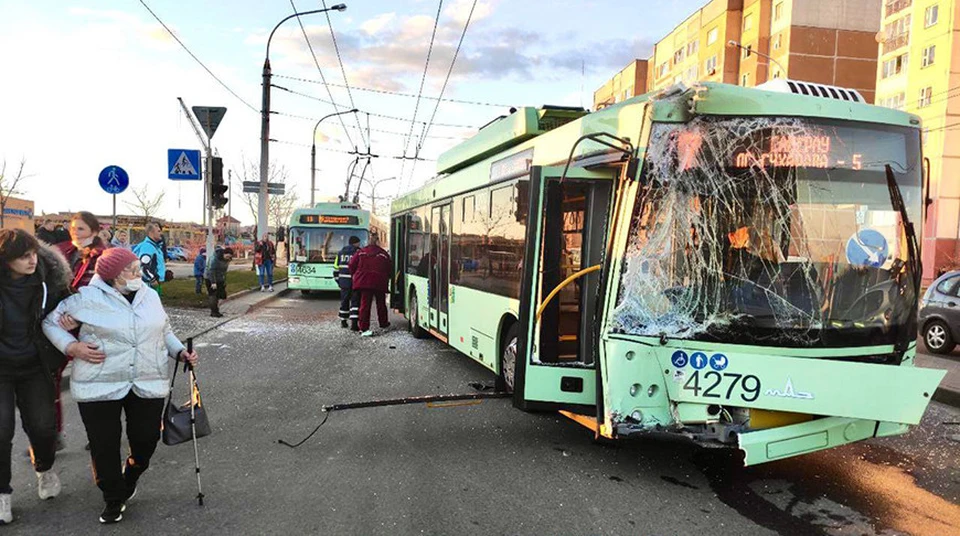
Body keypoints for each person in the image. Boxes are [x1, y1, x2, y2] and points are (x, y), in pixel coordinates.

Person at [42, 248, 199, 524]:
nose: (139, 273)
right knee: (104, 444)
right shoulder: (85, 298)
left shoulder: (150, 296)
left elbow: (165, 331)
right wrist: (72, 346)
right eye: (132, 269)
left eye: (138, 268)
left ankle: (132, 474)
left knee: (146, 439)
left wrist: (179, 352)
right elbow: (50, 323)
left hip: (146, 378)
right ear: (113, 275)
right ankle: (113, 498)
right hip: (98, 381)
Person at [0, 230, 72, 523]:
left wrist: (69, 321)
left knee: (43, 428)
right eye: (23, 256)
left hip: (35, 366)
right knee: (0, 432)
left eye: (33, 254)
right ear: (6, 260)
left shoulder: (49, 283)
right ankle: (2, 495)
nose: (32, 260)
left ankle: (44, 468)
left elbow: (70, 307)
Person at [54, 211, 108, 445]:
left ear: (94, 232)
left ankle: (99, 432)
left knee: (94, 380)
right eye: (73, 227)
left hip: (91, 326)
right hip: (60, 324)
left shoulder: (103, 257)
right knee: (50, 376)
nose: (75, 232)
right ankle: (53, 433)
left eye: (81, 228)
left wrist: (80, 319)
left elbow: (103, 296)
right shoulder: (60, 251)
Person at [348, 233, 391, 337]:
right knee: (381, 304)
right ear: (378, 242)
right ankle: (383, 323)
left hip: (364, 282)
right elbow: (389, 268)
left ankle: (364, 328)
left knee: (365, 305)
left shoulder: (361, 252)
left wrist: (356, 275)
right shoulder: (383, 254)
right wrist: (386, 277)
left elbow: (351, 265)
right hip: (379, 282)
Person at [334, 236, 362, 330]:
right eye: (358, 242)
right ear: (356, 243)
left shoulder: (340, 253)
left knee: (344, 302)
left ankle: (343, 321)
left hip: (344, 282)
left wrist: (339, 281)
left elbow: (336, 268)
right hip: (355, 282)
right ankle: (354, 324)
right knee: (355, 302)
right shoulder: (358, 253)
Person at [133, 223, 165, 289]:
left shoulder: (154, 246)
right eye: (158, 231)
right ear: (151, 233)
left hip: (152, 283)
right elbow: (143, 266)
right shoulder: (148, 247)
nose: (161, 233)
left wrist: (162, 275)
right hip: (147, 285)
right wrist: (152, 280)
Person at [204, 247, 233, 318]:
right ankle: (214, 312)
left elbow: (224, 272)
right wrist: (213, 282)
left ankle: (216, 310)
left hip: (220, 278)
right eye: (227, 256)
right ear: (224, 254)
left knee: (219, 295)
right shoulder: (215, 259)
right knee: (213, 295)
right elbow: (211, 271)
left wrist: (224, 281)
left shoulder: (227, 260)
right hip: (210, 278)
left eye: (229, 257)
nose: (228, 258)